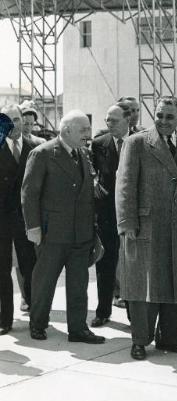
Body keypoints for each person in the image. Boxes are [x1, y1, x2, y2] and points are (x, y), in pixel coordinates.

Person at [115, 96, 177, 360]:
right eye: (160, 115)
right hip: (146, 226)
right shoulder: (136, 143)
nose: (164, 121)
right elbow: (125, 184)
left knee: (174, 282)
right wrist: (127, 222)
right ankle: (140, 340)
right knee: (143, 286)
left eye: (169, 117)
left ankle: (170, 338)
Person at [22, 110, 104, 344]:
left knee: (79, 285)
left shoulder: (84, 154)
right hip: (52, 233)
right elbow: (29, 194)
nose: (88, 134)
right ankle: (38, 323)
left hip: (81, 233)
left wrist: (93, 229)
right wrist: (34, 227)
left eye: (88, 129)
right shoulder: (43, 153)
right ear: (66, 130)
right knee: (44, 282)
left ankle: (78, 329)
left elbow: (87, 193)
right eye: (83, 130)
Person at [89, 103, 130, 328]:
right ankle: (103, 311)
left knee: (132, 266)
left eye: (113, 120)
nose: (109, 124)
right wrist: (94, 182)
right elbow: (93, 171)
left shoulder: (140, 142)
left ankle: (135, 314)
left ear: (127, 120)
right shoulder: (99, 144)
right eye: (107, 120)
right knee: (105, 264)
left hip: (134, 216)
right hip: (107, 215)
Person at [0, 107, 39, 334]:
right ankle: (5, 319)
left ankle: (36, 316)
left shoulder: (36, 148)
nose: (13, 125)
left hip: (26, 219)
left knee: (30, 266)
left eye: (16, 119)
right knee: (2, 269)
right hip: (2, 220)